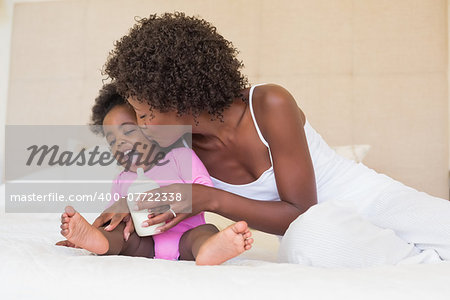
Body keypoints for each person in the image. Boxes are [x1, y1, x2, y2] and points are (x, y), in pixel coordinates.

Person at [99, 12, 450, 268]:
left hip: (370, 200)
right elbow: (303, 222)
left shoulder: (268, 103)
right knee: (308, 240)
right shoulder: (180, 152)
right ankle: (427, 268)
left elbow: (300, 206)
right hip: (317, 229)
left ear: (175, 97)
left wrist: (206, 197)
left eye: (145, 114)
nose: (143, 127)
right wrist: (127, 207)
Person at [55, 83, 253, 265]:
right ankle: (94, 241)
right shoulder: (122, 179)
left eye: (129, 132)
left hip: (187, 234)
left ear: (151, 129)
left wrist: (157, 198)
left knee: (206, 232)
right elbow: (112, 216)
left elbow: (205, 191)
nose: (120, 143)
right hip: (145, 244)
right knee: (118, 235)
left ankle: (210, 249)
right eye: (112, 141)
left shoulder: (179, 157)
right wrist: (99, 230)